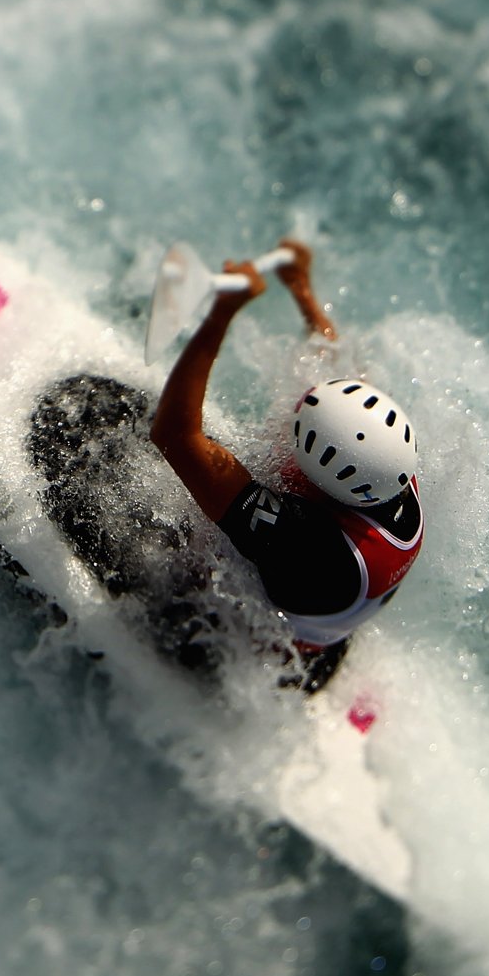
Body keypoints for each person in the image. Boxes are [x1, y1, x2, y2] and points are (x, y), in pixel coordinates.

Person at [147, 240, 423, 691]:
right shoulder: (389, 465)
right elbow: (347, 379)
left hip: (265, 659)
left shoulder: (305, 541)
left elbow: (174, 437)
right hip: (329, 627)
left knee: (185, 547)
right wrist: (302, 291)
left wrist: (220, 316)